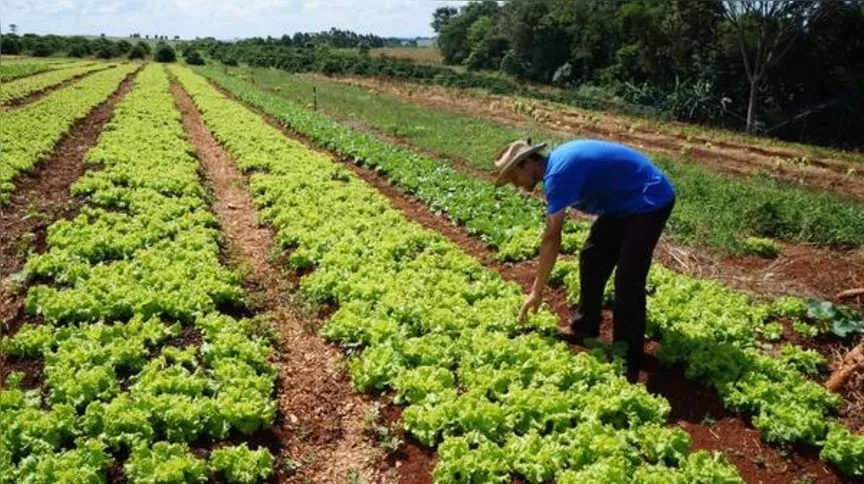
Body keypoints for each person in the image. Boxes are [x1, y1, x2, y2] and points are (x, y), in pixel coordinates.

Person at [494, 139, 675, 383]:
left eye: (514, 177)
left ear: (527, 163)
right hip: (622, 202)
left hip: (649, 199)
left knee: (628, 279)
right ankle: (585, 327)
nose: (516, 185)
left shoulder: (557, 174)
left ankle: (628, 356)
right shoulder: (557, 167)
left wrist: (536, 291)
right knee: (592, 257)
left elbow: (552, 237)